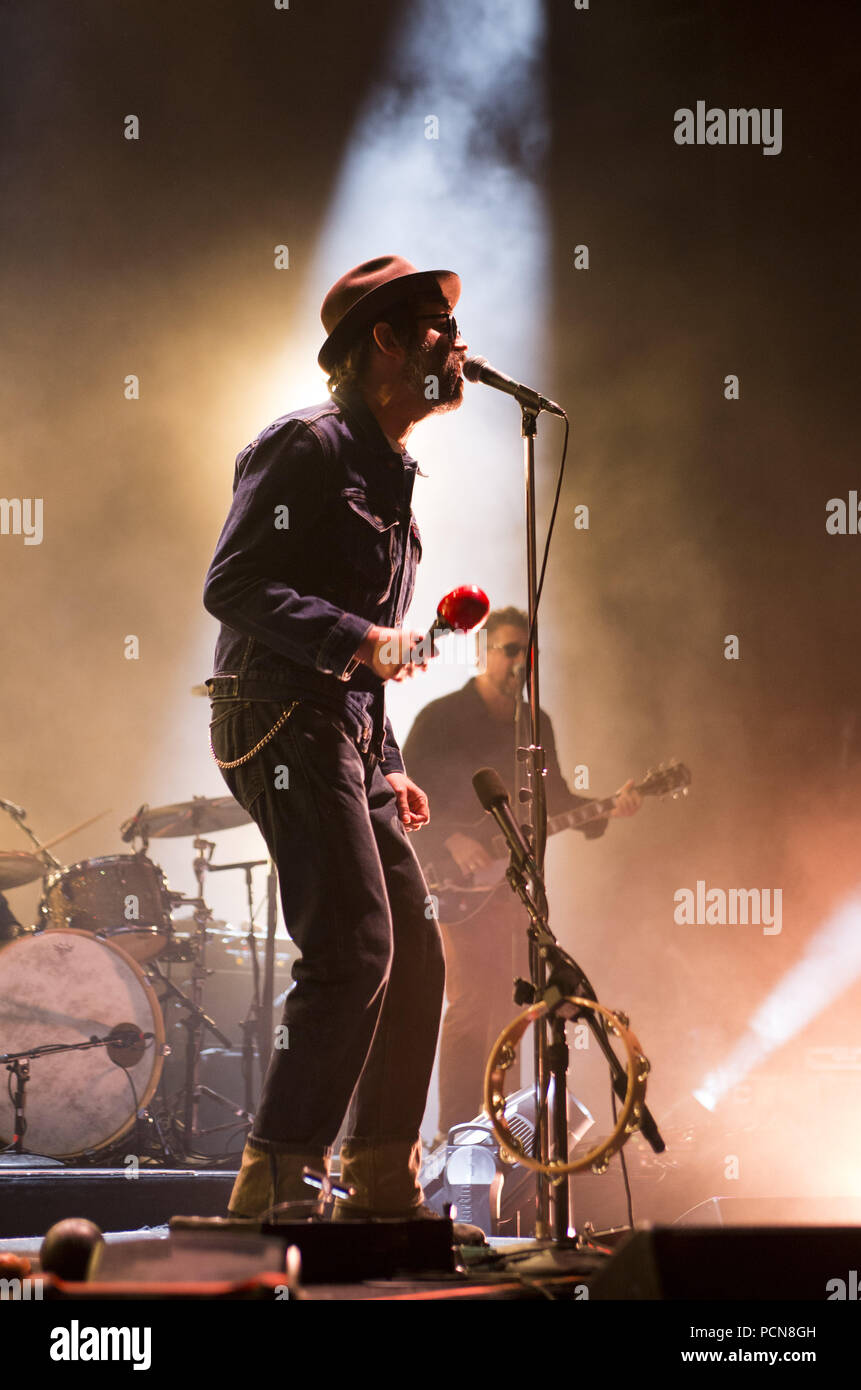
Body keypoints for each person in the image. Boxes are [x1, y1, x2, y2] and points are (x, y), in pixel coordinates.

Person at [203, 254, 469, 1221]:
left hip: (344, 734)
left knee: (419, 956)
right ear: (384, 343)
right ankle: (271, 1189)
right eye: (437, 328)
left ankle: (381, 1184)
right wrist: (360, 639)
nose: (458, 346)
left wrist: (388, 764)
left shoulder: (396, 478)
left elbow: (378, 661)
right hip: (275, 714)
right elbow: (231, 585)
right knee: (355, 945)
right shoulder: (306, 446)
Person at [401, 607, 642, 1141]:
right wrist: (450, 838)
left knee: (518, 1012)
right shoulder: (441, 717)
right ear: (485, 653)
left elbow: (552, 801)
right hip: (453, 886)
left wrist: (607, 807)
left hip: (516, 888)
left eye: (526, 652)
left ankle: (504, 1138)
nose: (519, 661)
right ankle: (451, 1138)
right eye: (509, 650)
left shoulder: (537, 724)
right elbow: (404, 792)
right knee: (468, 1006)